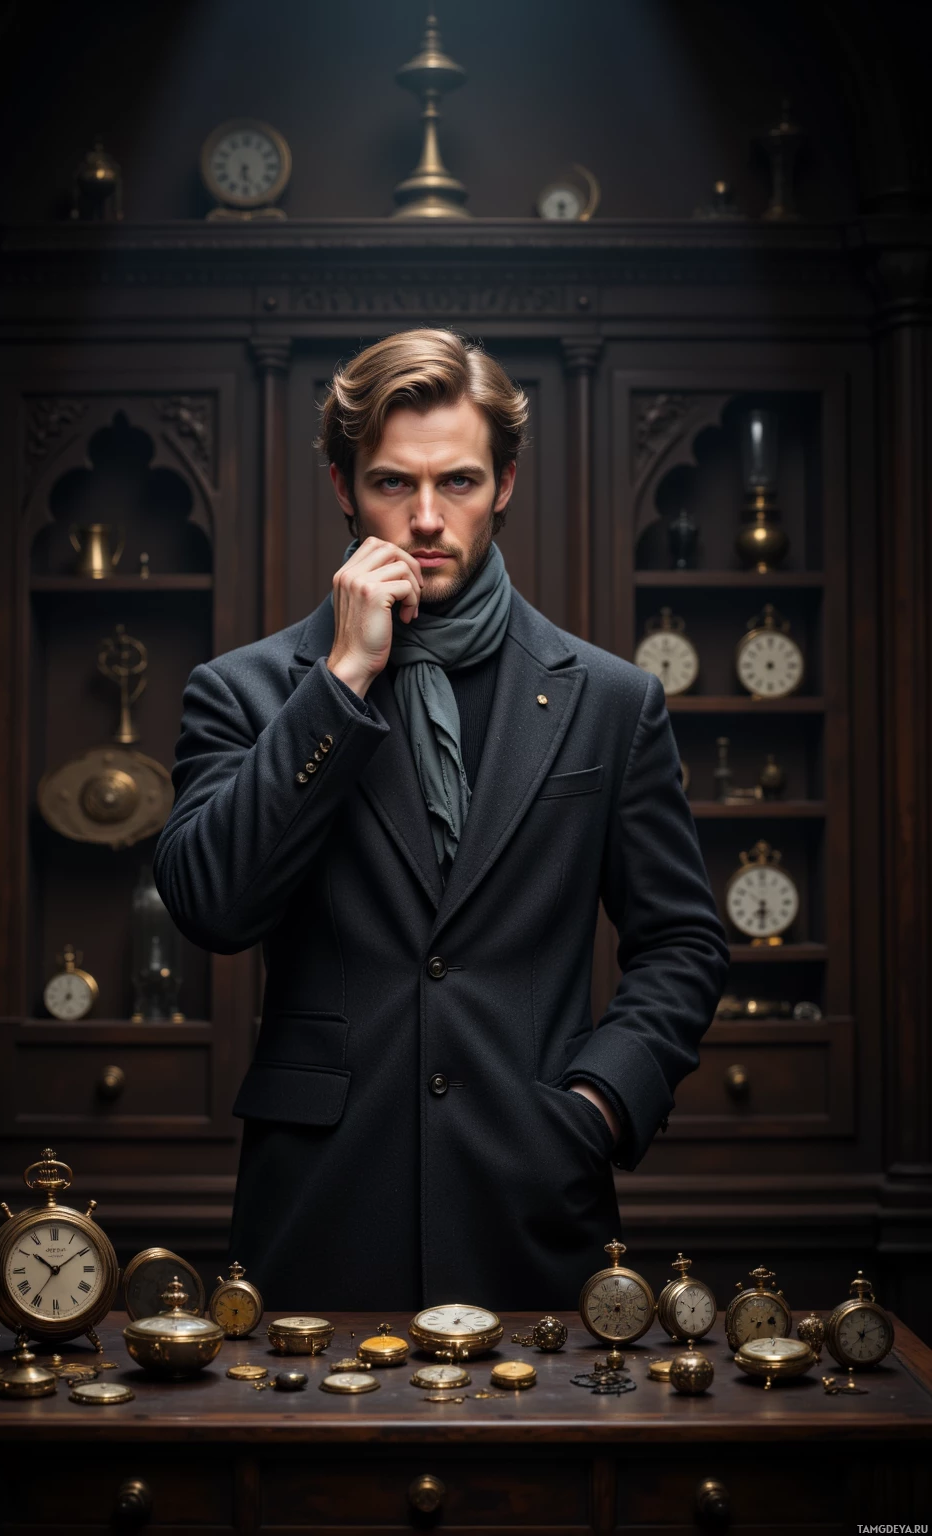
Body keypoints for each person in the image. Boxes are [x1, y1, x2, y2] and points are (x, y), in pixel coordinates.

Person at [154, 328, 728, 1310]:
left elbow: (681, 943)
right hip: (317, 1213)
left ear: (504, 483)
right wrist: (337, 684)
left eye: (457, 483)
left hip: (536, 1204)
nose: (425, 519)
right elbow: (211, 905)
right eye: (390, 484)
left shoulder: (608, 699)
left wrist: (593, 1108)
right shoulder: (243, 693)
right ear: (342, 487)